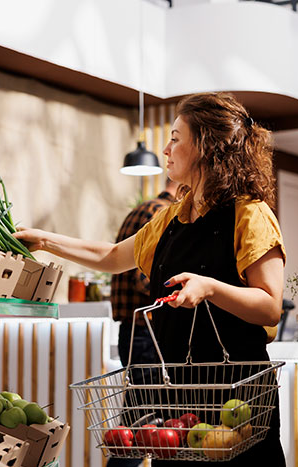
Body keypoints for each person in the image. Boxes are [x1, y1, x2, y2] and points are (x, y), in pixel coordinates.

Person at [15, 92, 286, 466]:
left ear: (205, 146)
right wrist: (44, 240)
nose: (166, 148)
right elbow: (110, 257)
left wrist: (209, 288)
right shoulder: (170, 219)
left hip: (238, 399)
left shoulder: (250, 215)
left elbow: (270, 306)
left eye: (176, 137)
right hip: (179, 397)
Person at [108, 178, 178, 467]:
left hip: (134, 332)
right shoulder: (161, 213)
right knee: (140, 430)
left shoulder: (141, 209)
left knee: (135, 427)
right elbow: (144, 278)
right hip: (146, 332)